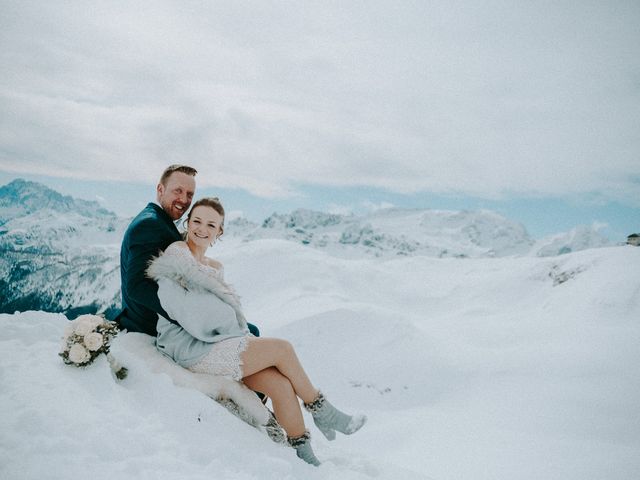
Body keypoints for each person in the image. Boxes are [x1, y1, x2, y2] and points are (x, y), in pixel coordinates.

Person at [147, 197, 367, 466]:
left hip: (218, 343)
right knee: (282, 349)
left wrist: (230, 330)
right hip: (190, 346)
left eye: (211, 224)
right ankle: (323, 411)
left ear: (220, 231)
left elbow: (215, 313)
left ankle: (306, 457)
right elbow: (187, 310)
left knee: (281, 385)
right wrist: (230, 330)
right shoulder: (178, 254)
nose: (202, 229)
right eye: (197, 221)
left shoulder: (215, 267)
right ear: (188, 223)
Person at [114, 164, 260, 338]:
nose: (184, 200)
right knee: (250, 332)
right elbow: (137, 287)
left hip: (165, 318)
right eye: (178, 191)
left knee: (248, 330)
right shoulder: (150, 224)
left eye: (189, 194)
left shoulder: (159, 220)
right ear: (161, 189)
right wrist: (193, 319)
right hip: (148, 325)